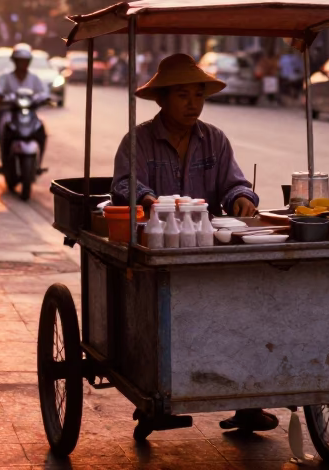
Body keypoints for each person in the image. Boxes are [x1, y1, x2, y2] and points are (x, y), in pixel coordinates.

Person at [111, 54, 271, 433]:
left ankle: (247, 404)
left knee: (243, 313)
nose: (193, 103)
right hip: (159, 250)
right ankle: (156, 401)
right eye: (183, 95)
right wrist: (149, 200)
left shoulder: (214, 139)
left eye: (198, 95)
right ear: (162, 99)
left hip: (207, 245)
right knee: (161, 318)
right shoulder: (138, 140)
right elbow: (122, 185)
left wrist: (241, 197)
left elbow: (234, 181)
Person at [0, 43, 50, 167]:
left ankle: (39, 163)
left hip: (29, 113)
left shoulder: (34, 78)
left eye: (25, 61)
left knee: (41, 128)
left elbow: (43, 92)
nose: (22, 64)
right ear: (14, 61)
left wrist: (44, 98)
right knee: (3, 124)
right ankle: (4, 159)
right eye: (20, 61)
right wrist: (0, 98)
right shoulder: (5, 78)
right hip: (11, 112)